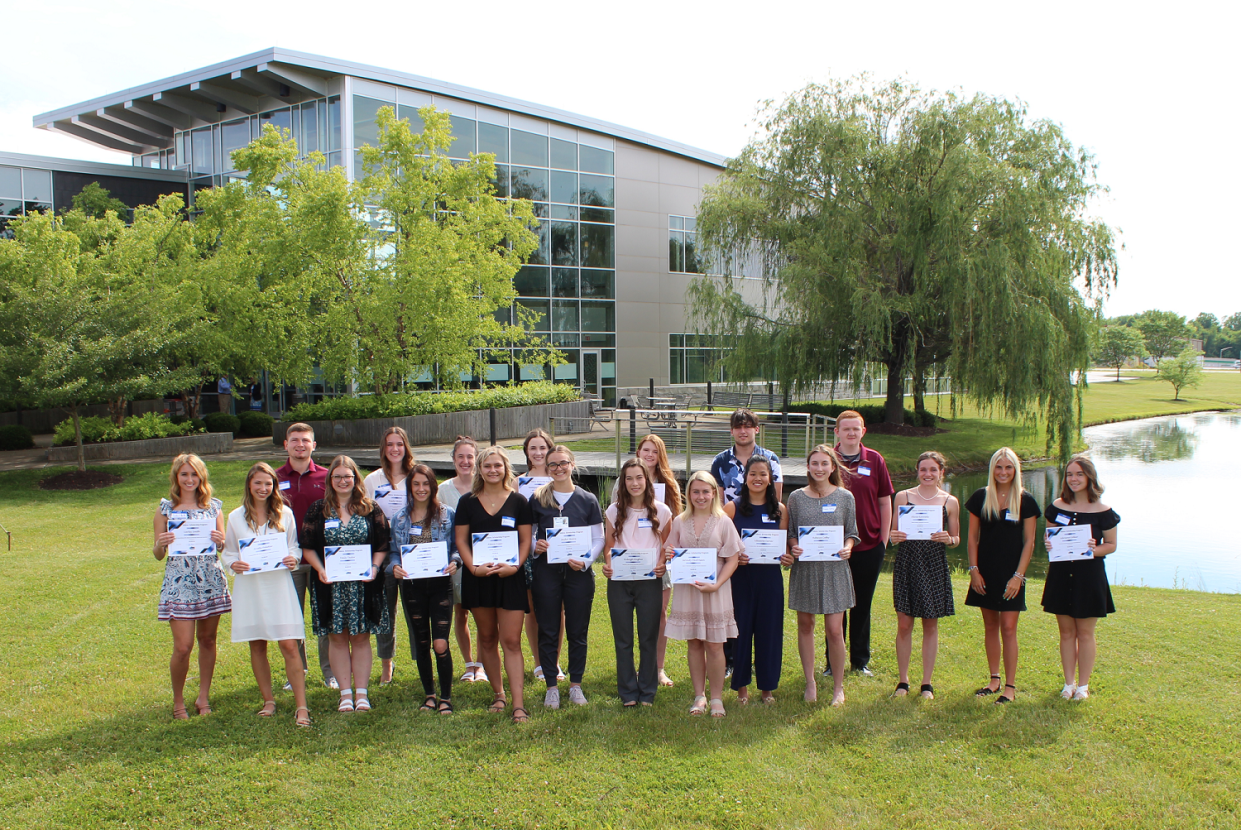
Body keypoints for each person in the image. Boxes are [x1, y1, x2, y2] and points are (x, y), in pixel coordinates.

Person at [300, 455, 392, 714]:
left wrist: (374, 568)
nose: (342, 481)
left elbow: (383, 544)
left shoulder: (370, 508)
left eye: (347, 476)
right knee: (337, 638)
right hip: (331, 585)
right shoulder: (319, 510)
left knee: (362, 638)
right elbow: (307, 546)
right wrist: (320, 569)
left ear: (356, 479)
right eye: (337, 476)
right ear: (330, 479)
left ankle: (362, 693)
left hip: (364, 584)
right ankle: (345, 694)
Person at [221, 462, 310, 727]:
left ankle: (301, 706)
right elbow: (228, 552)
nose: (263, 488)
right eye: (258, 483)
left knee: (289, 645)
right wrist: (232, 564)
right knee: (257, 644)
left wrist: (293, 558)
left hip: (279, 585)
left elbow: (295, 547)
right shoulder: (236, 517)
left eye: (268, 483)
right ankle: (268, 700)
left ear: (274, 486)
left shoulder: (285, 514)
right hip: (250, 587)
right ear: (249, 484)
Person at [454, 446, 535, 723]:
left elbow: (525, 541)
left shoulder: (519, 502)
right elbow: (461, 541)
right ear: (480, 469)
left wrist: (516, 565)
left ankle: (519, 704)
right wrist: (473, 567)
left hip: (510, 578)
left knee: (511, 641)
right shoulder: (467, 502)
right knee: (487, 638)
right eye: (487, 466)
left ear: (505, 468)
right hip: (479, 579)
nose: (492, 470)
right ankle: (498, 693)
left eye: (497, 466)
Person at [152, 453, 230, 720]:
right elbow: (158, 554)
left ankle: (203, 697)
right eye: (184, 474)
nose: (189, 479)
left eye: (194, 474)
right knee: (183, 646)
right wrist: (161, 542)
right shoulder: (165, 509)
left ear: (201, 477)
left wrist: (221, 540)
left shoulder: (213, 507)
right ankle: (177, 701)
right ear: (176, 476)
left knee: (207, 640)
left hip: (209, 580)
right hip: (179, 582)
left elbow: (222, 547)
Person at [528, 446, 604, 709]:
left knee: (577, 630)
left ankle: (575, 685)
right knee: (548, 629)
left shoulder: (587, 499)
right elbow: (528, 535)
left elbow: (598, 538)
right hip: (546, 573)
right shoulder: (538, 498)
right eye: (552, 465)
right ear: (546, 468)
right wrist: (533, 546)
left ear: (572, 464)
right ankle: (551, 685)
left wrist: (586, 561)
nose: (558, 469)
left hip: (577, 574)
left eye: (563, 463)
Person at [709, 408, 782, 679]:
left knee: (765, 623)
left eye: (748, 426)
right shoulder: (720, 461)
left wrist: (778, 550)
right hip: (734, 539)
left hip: (765, 556)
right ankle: (733, 665)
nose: (743, 430)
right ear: (731, 431)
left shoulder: (771, 459)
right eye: (738, 426)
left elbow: (775, 508)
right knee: (736, 617)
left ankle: (762, 675)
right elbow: (717, 507)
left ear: (756, 429)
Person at [784, 445, 859, 706]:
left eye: (824, 464)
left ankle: (838, 687)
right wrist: (794, 545)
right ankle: (810, 682)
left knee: (834, 630)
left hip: (834, 569)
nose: (819, 468)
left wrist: (847, 548)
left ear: (833, 467)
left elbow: (852, 533)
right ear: (808, 467)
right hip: (806, 569)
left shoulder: (845, 497)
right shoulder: (795, 497)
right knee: (805, 626)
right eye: (814, 463)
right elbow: (791, 531)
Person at [663, 471, 742, 718]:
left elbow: (733, 559)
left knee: (715, 645)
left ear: (714, 494)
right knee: (694, 643)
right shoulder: (679, 521)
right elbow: (670, 549)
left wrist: (717, 584)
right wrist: (669, 554)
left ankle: (717, 697)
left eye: (706, 491)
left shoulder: (723, 521)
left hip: (715, 590)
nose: (701, 496)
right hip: (688, 589)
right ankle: (700, 696)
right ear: (689, 494)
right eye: (695, 492)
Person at [965, 447, 1039, 705]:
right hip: (984, 572)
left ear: (1015, 470)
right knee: (990, 626)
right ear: (992, 469)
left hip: (1012, 574)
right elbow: (972, 538)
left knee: (1008, 628)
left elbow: (1029, 542)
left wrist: (1019, 576)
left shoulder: (1026, 500)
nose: (1003, 472)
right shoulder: (981, 497)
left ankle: (1010, 686)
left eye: (1008, 467)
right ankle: (994, 679)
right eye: (999, 467)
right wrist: (973, 571)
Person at [1041, 456, 1119, 701]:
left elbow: (1112, 545)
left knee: (1085, 633)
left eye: (1079, 474)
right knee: (1066, 633)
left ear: (1090, 478)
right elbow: (1050, 537)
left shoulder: (1104, 512)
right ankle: (1068, 684)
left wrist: (1093, 549)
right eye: (1069, 474)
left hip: (1090, 576)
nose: (1073, 479)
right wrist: (1048, 542)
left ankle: (1083, 687)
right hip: (1061, 575)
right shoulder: (1057, 506)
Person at [387, 464, 461, 714]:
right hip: (412, 587)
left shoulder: (447, 514)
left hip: (441, 586)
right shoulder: (399, 518)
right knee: (421, 642)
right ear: (410, 487)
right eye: (416, 484)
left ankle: (446, 697)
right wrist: (395, 567)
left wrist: (456, 561)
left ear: (433, 486)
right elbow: (394, 553)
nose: (421, 489)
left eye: (425, 483)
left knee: (440, 643)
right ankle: (429, 695)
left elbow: (456, 547)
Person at [887, 451, 960, 700]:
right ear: (917, 471)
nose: (928, 474)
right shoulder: (903, 497)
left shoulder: (949, 501)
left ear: (941, 472)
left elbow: (956, 538)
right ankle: (903, 681)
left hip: (933, 564)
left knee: (930, 624)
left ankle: (926, 683)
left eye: (933, 470)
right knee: (904, 623)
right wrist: (892, 536)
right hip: (907, 562)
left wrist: (948, 539)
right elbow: (893, 533)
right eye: (923, 469)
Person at [612, 435, 683, 687]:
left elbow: (673, 527)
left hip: (657, 564)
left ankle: (657, 668)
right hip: (626, 567)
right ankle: (632, 673)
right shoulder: (623, 487)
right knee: (626, 624)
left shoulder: (668, 485)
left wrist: (667, 557)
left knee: (657, 615)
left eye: (655, 451)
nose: (650, 455)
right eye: (646, 450)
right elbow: (615, 526)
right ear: (638, 452)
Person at [827, 410, 893, 678]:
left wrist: (883, 540)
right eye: (846, 429)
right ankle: (833, 663)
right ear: (837, 432)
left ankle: (860, 660)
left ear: (863, 432)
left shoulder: (874, 460)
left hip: (868, 546)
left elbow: (884, 501)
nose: (851, 433)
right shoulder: (828, 459)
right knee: (835, 606)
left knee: (862, 604)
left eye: (856, 429)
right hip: (832, 547)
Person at [602, 458, 672, 707]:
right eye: (628, 478)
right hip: (620, 581)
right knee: (623, 639)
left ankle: (647, 691)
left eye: (639, 477)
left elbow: (665, 545)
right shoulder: (613, 510)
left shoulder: (662, 511)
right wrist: (608, 563)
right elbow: (609, 546)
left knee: (648, 638)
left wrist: (662, 564)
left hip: (649, 581)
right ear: (623, 482)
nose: (634, 483)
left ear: (647, 480)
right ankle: (628, 691)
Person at [275, 423, 335, 690]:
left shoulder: (328, 476)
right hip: (288, 561)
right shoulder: (273, 478)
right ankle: (296, 671)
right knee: (291, 619)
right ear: (285, 445)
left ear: (314, 445)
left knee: (326, 617)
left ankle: (330, 672)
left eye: (306, 440)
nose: (300, 445)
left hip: (323, 561)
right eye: (295, 440)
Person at [724, 455, 788, 704]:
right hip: (742, 578)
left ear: (770, 478)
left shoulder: (780, 509)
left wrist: (787, 557)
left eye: (763, 474)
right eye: (753, 474)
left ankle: (767, 688)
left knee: (769, 632)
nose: (758, 478)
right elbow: (721, 544)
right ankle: (741, 688)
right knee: (740, 632)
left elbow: (783, 547)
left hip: (770, 579)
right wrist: (733, 556)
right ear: (745, 478)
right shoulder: (733, 507)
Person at [363, 426, 415, 687]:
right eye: (389, 444)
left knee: (416, 610)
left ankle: (424, 661)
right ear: (383, 449)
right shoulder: (372, 480)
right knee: (386, 613)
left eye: (399, 444)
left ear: (406, 447)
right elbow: (363, 514)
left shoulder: (416, 476)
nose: (395, 449)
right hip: (382, 553)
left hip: (414, 552)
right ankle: (387, 665)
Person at [438, 436, 485, 685]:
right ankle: (469, 663)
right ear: (454, 460)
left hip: (484, 558)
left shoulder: (486, 485)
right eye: (461, 457)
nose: (466, 461)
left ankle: (482, 663)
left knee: (483, 613)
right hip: (455, 560)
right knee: (461, 611)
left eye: (470, 456)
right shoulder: (443, 490)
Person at [519, 428, 563, 682]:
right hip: (530, 555)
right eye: (533, 448)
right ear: (526, 451)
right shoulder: (517, 482)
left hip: (558, 556)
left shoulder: (561, 477)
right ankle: (539, 663)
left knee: (559, 611)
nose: (538, 452)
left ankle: (554, 662)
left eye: (542, 448)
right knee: (534, 611)